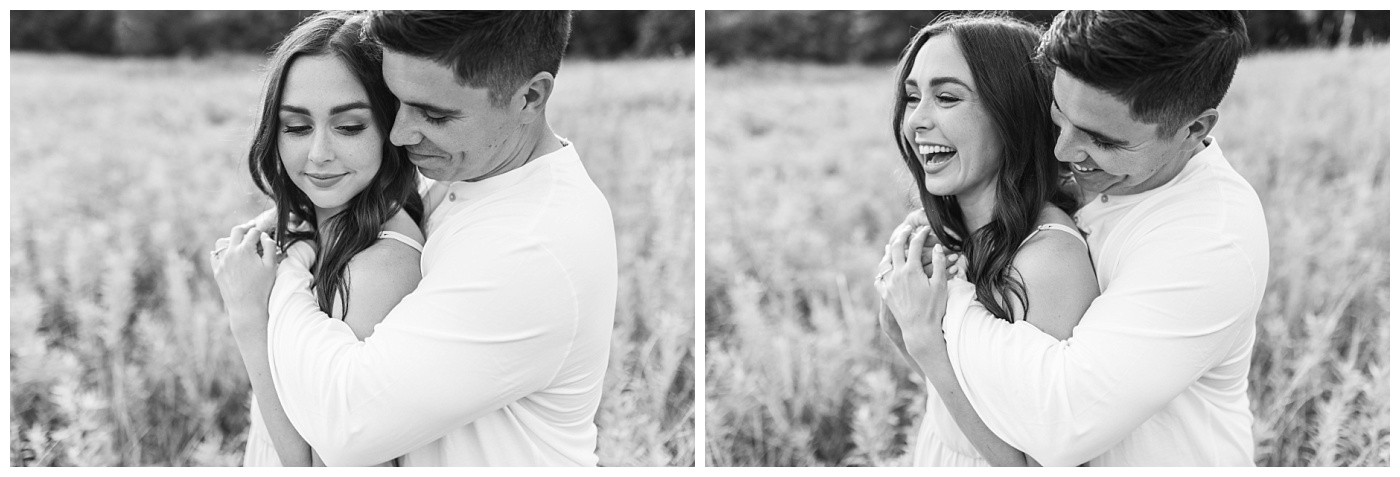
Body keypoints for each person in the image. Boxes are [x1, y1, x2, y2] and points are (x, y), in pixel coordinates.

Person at [214, 10, 618, 466]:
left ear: (529, 96)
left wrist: (271, 288)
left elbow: (346, 431)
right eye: (397, 101)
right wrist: (293, 216)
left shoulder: (529, 249)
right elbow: (371, 185)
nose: (400, 133)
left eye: (434, 114)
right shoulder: (476, 168)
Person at [887, 11, 1266, 466]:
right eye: (1057, 117)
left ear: (1194, 129)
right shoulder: (1060, 183)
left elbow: (1061, 428)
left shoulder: (1208, 242)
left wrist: (940, 307)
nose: (1062, 151)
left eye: (1102, 140)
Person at [873, 13, 1098, 467]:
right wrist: (898, 307)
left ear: (1011, 112)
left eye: (947, 97)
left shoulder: (1048, 261)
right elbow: (953, 401)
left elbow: (1041, 466)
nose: (916, 120)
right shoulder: (950, 232)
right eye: (912, 97)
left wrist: (924, 339)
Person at [209, 10, 424, 467]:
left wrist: (249, 317)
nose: (320, 154)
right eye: (297, 127)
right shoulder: (317, 220)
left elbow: (317, 465)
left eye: (349, 127)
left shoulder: (380, 268)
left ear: (390, 127)